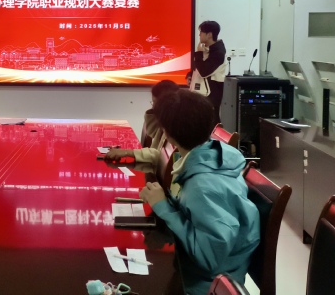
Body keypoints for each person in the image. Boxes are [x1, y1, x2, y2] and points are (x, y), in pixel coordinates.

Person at [139, 89, 259, 295]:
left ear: (168, 135)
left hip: (208, 285)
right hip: (208, 272)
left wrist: (163, 207)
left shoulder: (203, 186)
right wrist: (166, 203)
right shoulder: (211, 157)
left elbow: (210, 258)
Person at [105, 80, 179, 164]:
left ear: (166, 104)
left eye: (155, 103)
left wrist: (126, 152)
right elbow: (152, 132)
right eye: (152, 102)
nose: (153, 106)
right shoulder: (166, 121)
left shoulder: (175, 127)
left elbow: (159, 157)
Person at [192, 20, 227, 122]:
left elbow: (204, 71)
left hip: (210, 96)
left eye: (201, 32)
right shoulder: (207, 49)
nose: (199, 34)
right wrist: (190, 75)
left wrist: (198, 54)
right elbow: (199, 67)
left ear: (209, 35)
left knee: (210, 123)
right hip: (201, 94)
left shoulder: (218, 53)